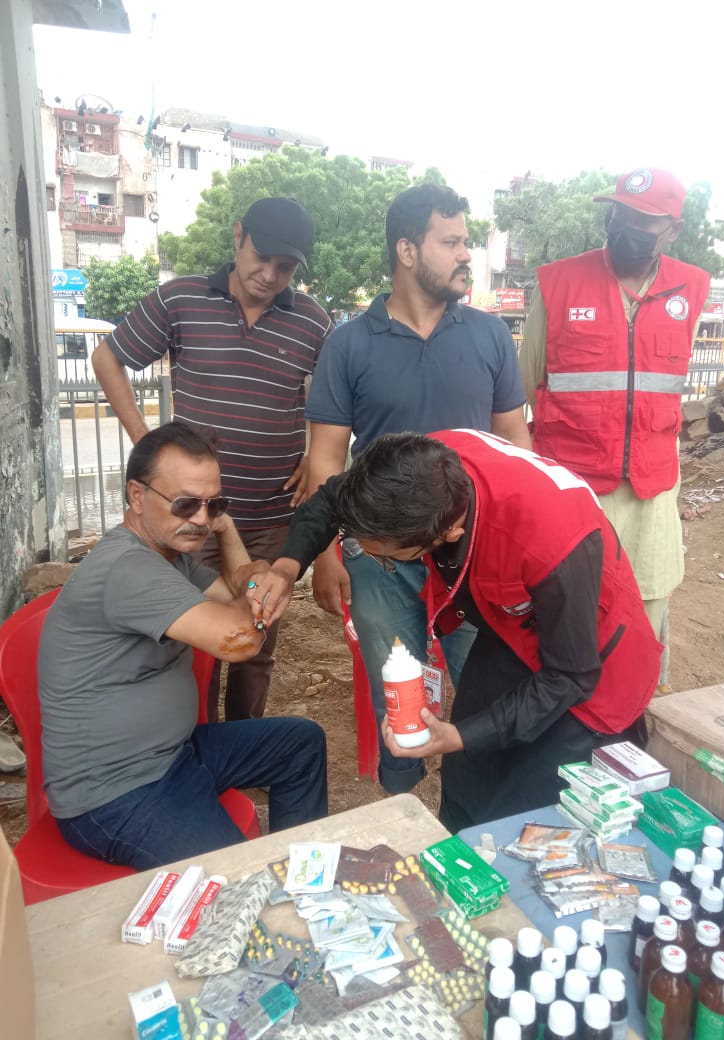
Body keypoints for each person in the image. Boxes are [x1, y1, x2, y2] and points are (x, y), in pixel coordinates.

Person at [250, 429, 661, 831]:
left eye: (388, 559)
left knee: (534, 814)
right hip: (508, 629)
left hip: (591, 666)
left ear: (448, 534)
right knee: (468, 784)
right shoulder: (411, 473)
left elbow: (570, 675)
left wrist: (458, 735)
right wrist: (287, 568)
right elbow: (331, 499)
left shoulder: (552, 540)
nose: (381, 563)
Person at [303, 183, 532, 792]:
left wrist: (522, 544)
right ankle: (400, 801)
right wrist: (326, 554)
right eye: (451, 242)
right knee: (397, 689)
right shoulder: (348, 344)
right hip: (379, 555)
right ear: (407, 250)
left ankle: (486, 803)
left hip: (470, 552)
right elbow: (326, 459)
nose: (466, 255)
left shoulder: (489, 336)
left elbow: (516, 444)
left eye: (466, 242)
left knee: (488, 682)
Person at [38, 423, 328, 870]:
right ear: (137, 496)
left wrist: (229, 536)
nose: (201, 519)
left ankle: (303, 880)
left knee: (299, 744)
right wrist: (262, 589)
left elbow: (234, 592)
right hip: (116, 791)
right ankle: (267, 893)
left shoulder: (169, 558)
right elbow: (241, 641)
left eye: (215, 504)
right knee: (237, 877)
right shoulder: (129, 569)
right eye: (186, 504)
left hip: (174, 754)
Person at [92, 197, 332, 722]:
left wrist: (316, 454)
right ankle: (195, 743)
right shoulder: (181, 298)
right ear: (238, 236)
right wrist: (145, 442)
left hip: (269, 514)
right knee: (189, 643)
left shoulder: (313, 321)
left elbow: (334, 398)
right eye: (261, 257)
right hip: (189, 517)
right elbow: (107, 356)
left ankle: (242, 744)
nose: (270, 275)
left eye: (285, 267)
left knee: (256, 641)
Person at [519, 168, 710, 689]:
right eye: (621, 214)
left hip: (651, 495)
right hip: (574, 492)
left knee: (642, 618)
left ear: (672, 229)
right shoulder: (558, 283)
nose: (627, 228)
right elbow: (524, 386)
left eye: (644, 221)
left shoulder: (691, 289)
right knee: (567, 616)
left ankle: (631, 712)